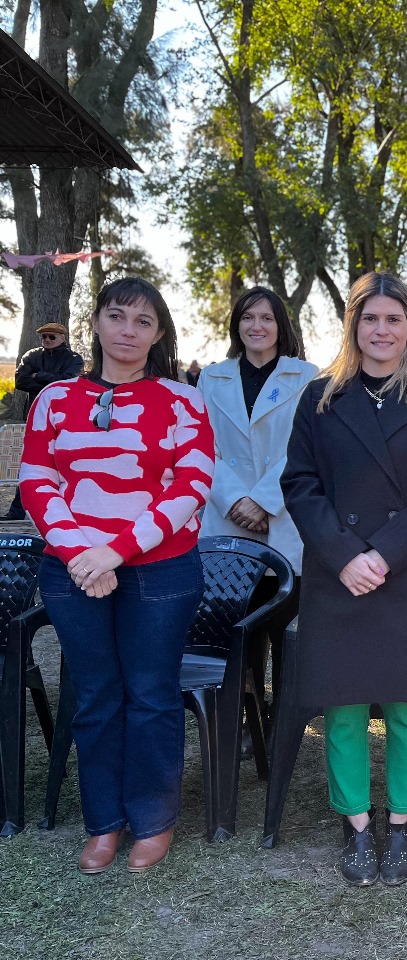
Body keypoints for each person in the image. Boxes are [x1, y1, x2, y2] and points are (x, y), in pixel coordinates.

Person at [18, 277, 214, 874]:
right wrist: (82, 553)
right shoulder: (54, 399)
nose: (128, 331)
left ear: (158, 334)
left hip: (160, 571)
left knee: (152, 694)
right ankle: (104, 822)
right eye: (117, 316)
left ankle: (153, 820)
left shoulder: (183, 401)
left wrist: (116, 553)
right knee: (96, 696)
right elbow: (37, 480)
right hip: (72, 572)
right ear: (97, 321)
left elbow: (192, 484)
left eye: (143, 321)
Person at [282, 273, 407, 887]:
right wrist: (344, 555)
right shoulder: (319, 398)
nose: (381, 330)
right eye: (370, 318)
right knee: (345, 705)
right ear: (352, 326)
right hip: (338, 571)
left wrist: (384, 553)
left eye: (393, 320)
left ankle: (402, 823)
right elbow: (300, 484)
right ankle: (357, 824)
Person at [198, 287, 318, 571]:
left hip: (285, 514)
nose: (257, 326)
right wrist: (236, 501)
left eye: (267, 318)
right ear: (236, 325)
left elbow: (309, 447)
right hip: (227, 518)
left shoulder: (308, 376)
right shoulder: (211, 378)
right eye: (247, 317)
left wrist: (263, 501)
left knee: (285, 594)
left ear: (280, 325)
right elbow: (201, 448)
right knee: (228, 596)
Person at [6, 322, 85, 519]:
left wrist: (38, 376)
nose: (47, 340)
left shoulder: (74, 359)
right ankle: (17, 512)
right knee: (31, 463)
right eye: (44, 337)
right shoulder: (31, 356)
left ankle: (65, 512)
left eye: (51, 337)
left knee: (65, 462)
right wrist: (51, 382)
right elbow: (20, 381)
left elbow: (69, 381)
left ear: (62, 338)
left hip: (65, 418)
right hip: (36, 418)